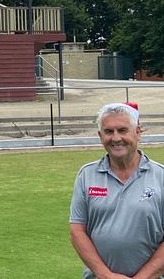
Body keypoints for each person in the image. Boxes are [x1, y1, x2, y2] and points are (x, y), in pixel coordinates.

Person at [70, 102, 164, 279]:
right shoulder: (87, 175)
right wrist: (105, 275)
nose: (115, 138)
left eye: (122, 130)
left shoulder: (161, 176)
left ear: (137, 132)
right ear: (100, 136)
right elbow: (77, 231)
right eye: (108, 131)